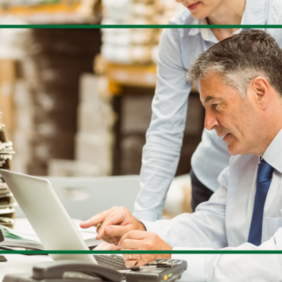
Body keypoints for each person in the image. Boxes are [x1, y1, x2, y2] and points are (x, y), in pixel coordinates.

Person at [81, 30, 282, 281]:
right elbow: (212, 224)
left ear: (260, 92)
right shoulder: (246, 160)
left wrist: (171, 258)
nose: (208, 124)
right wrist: (143, 232)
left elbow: (274, 264)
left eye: (216, 106)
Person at [134, 0, 282, 219]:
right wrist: (143, 223)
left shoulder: (276, 18)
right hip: (213, 182)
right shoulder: (179, 35)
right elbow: (165, 131)